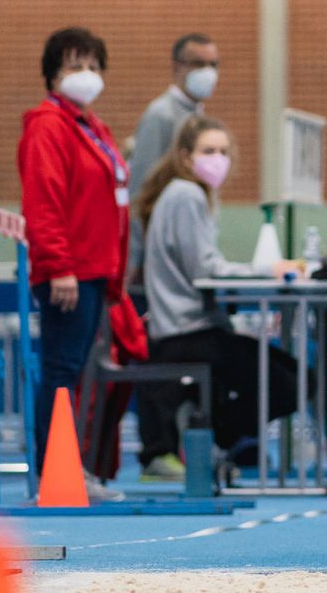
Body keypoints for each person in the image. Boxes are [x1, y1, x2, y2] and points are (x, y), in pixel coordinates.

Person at [133, 116, 301, 471]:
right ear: (185, 156)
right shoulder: (187, 194)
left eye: (224, 151)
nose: (218, 159)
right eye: (208, 151)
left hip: (195, 328)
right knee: (290, 383)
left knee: (290, 375)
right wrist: (267, 270)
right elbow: (206, 272)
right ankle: (204, 435)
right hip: (186, 334)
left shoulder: (193, 195)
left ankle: (205, 434)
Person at [16, 27, 129, 486]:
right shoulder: (49, 126)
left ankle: (67, 465)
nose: (86, 75)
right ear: (52, 76)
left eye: (92, 66)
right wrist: (59, 265)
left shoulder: (92, 127)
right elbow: (44, 201)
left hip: (95, 269)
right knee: (61, 369)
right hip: (69, 273)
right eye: (74, 66)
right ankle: (53, 470)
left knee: (74, 370)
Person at [127, 31, 221, 477]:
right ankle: (154, 450)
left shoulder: (195, 116)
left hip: (170, 262)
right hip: (150, 264)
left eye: (214, 63)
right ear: (178, 67)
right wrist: (140, 259)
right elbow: (141, 189)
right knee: (154, 354)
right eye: (199, 63)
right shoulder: (161, 116)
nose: (208, 72)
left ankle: (174, 447)